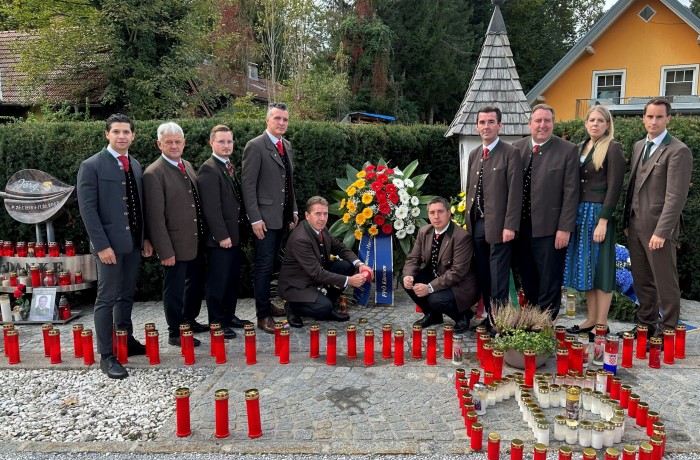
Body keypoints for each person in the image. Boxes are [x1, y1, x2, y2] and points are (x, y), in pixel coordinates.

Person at [77, 113, 153, 379]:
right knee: (106, 298)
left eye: (126, 132)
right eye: (116, 132)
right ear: (107, 134)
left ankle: (126, 338)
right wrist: (101, 246)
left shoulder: (135, 164)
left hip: (132, 243)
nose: (122, 136)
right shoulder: (92, 166)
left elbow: (139, 206)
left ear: (133, 135)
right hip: (108, 246)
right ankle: (107, 355)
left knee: (126, 295)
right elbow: (88, 210)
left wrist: (144, 238)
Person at [622, 97, 692, 339]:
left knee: (665, 281)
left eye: (659, 116)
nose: (653, 121)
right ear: (643, 118)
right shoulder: (639, 145)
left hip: (658, 228)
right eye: (650, 116)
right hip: (635, 224)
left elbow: (676, 197)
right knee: (642, 280)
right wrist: (626, 222)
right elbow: (633, 186)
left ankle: (668, 330)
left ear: (668, 119)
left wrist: (661, 232)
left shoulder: (679, 150)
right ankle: (646, 324)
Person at [512, 104, 579, 319]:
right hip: (521, 227)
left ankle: (545, 323)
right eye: (538, 121)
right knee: (527, 275)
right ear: (530, 124)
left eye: (547, 121)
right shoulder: (516, 148)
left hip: (551, 228)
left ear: (553, 123)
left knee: (549, 277)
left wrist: (564, 228)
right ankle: (532, 318)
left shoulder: (567, 150)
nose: (542, 125)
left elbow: (571, 192)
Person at [143, 122, 207, 347]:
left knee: (195, 285)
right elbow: (155, 217)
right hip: (174, 244)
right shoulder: (153, 173)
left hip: (195, 241)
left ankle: (189, 321)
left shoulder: (187, 165)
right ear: (159, 144)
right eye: (169, 142)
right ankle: (175, 332)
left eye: (178, 141)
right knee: (175, 289)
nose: (174, 145)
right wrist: (165, 251)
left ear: (184, 143)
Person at [563, 106, 625, 335]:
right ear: (586, 123)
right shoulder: (581, 146)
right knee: (586, 267)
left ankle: (601, 323)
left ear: (608, 124)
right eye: (592, 120)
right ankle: (590, 319)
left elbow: (615, 187)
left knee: (602, 268)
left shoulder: (613, 148)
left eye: (600, 120)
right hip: (580, 214)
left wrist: (603, 221)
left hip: (598, 214)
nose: (595, 124)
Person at [241, 102, 298, 334]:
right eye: (277, 119)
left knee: (273, 264)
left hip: (282, 217)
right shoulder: (255, 146)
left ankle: (267, 306)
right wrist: (255, 219)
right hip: (264, 220)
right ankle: (262, 316)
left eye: (285, 119)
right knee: (263, 268)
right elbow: (248, 185)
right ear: (267, 120)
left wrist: (293, 210)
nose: (281, 123)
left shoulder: (287, 145)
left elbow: (289, 183)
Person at [465, 106, 522, 331]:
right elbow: (470, 190)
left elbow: (515, 193)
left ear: (500, 125)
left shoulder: (510, 153)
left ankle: (499, 322)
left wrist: (510, 225)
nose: (486, 126)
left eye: (491, 122)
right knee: (484, 274)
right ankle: (489, 316)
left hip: (500, 227)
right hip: (477, 225)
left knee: (499, 277)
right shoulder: (474, 154)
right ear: (477, 126)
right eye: (482, 122)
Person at [277, 196, 372, 327]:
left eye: (325, 214)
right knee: (324, 309)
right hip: (297, 286)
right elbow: (317, 273)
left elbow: (339, 247)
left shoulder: (321, 228)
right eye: (318, 214)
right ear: (307, 215)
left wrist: (360, 264)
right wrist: (350, 281)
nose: (322, 218)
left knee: (347, 266)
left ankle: (324, 300)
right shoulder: (300, 239)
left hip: (314, 278)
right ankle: (292, 306)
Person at [197, 125, 253, 339]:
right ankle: (216, 322)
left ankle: (229, 316)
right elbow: (211, 208)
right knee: (218, 282)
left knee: (231, 280)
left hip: (234, 235)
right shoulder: (209, 168)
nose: (226, 145)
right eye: (221, 141)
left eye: (229, 141)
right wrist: (222, 236)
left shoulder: (228, 166)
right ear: (212, 143)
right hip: (221, 239)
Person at [403, 197, 479, 334]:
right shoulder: (424, 232)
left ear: (449, 213)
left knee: (435, 299)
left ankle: (463, 316)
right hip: (437, 276)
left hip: (460, 285)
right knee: (410, 281)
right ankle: (433, 316)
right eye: (432, 213)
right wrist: (408, 276)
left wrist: (430, 287)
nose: (436, 217)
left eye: (440, 212)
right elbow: (413, 258)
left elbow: (458, 272)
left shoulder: (461, 237)